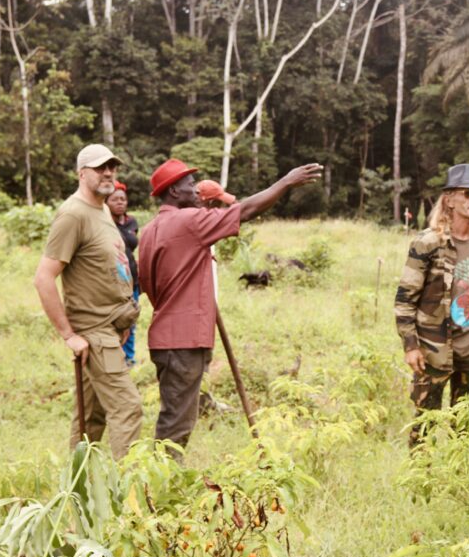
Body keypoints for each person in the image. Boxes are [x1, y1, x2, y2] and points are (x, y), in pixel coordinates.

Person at [138, 159, 322, 457]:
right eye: (188, 184)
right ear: (173, 191)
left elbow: (147, 284)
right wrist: (285, 182)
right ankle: (160, 491)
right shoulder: (190, 221)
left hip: (164, 336)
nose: (194, 189)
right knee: (176, 427)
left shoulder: (149, 231)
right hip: (183, 340)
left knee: (174, 415)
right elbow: (245, 211)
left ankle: (159, 482)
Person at [34, 144, 142, 459]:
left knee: (90, 418)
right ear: (82, 174)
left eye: (112, 167)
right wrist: (69, 335)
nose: (108, 172)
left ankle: (78, 486)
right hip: (93, 333)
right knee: (128, 408)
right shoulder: (73, 214)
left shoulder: (103, 209)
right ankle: (129, 492)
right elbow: (44, 278)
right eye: (99, 168)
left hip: (111, 329)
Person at [394, 164, 469, 447]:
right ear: (449, 200)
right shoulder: (428, 243)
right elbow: (405, 299)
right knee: (425, 425)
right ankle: (423, 486)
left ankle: (459, 484)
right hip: (434, 351)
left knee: (466, 427)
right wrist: (411, 345)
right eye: (467, 194)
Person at [105, 181, 139, 365]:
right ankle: (114, 358)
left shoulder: (131, 221)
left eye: (123, 199)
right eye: (115, 199)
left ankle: (129, 359)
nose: (120, 202)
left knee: (130, 320)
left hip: (132, 280)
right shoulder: (103, 223)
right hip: (113, 281)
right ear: (106, 202)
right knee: (114, 321)